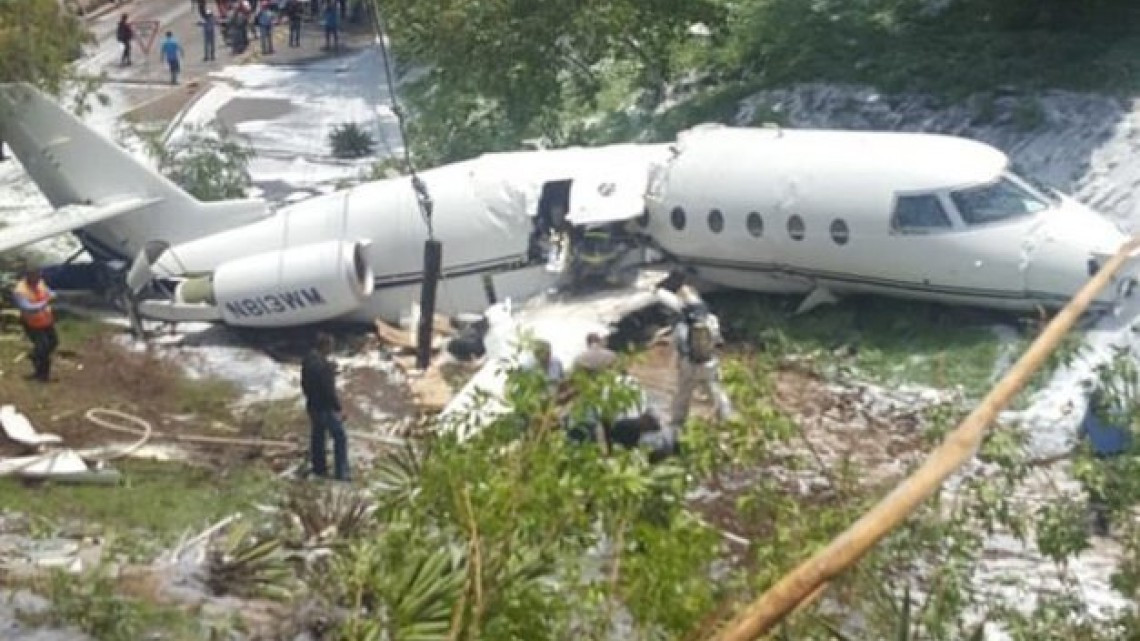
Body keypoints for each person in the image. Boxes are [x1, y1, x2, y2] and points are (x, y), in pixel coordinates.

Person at [670, 290, 733, 429]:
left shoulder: (681, 325)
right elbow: (717, 340)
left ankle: (677, 422)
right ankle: (727, 419)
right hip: (709, 363)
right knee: (716, 391)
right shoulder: (712, 320)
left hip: (689, 365)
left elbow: (679, 345)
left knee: (683, 395)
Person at [1079, 391, 1132, 535]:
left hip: (1103, 458)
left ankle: (1101, 524)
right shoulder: (1118, 413)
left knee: (1098, 491)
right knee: (1110, 491)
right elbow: (1129, 437)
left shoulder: (1090, 415)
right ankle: (1105, 524)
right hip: (1118, 457)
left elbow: (1080, 435)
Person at [301, 333, 350, 481]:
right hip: (325, 408)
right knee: (340, 437)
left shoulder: (307, 361)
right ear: (325, 346)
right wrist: (339, 409)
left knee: (318, 437)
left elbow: (304, 384)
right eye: (330, 346)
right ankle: (341, 473)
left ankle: (319, 468)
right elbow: (329, 391)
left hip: (312, 405)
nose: (331, 350)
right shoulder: (325, 367)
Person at [12, 267, 59, 383]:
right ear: (28, 276)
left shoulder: (40, 282)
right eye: (36, 277)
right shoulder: (20, 291)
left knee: (53, 342)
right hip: (32, 324)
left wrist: (53, 295)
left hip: (46, 321)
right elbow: (27, 307)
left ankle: (35, 355)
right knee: (43, 347)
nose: (38, 279)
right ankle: (42, 375)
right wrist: (45, 303)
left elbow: (48, 292)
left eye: (39, 276)